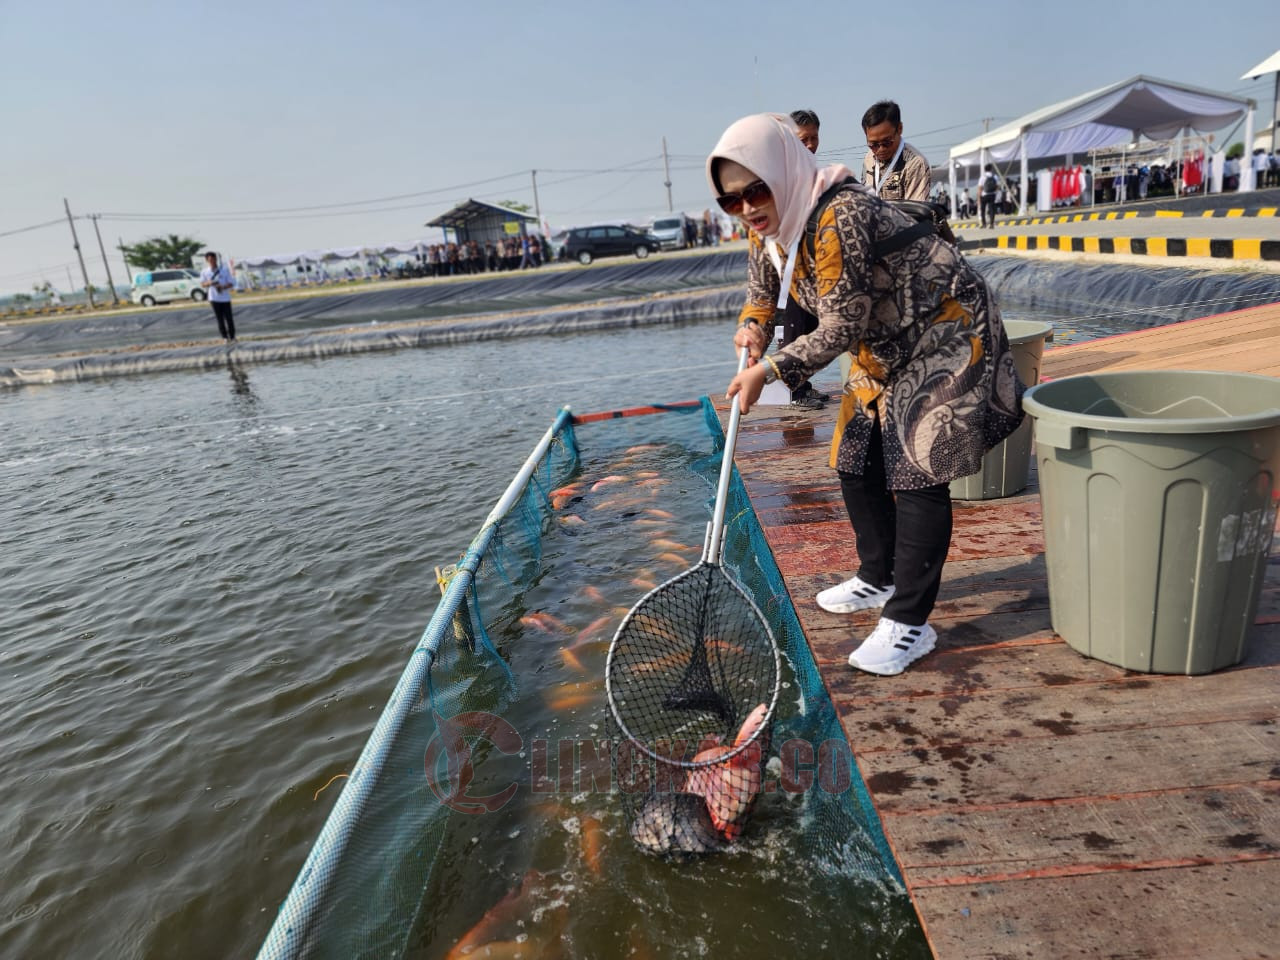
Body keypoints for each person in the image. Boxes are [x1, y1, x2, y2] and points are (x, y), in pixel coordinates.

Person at [711, 114, 1025, 675]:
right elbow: (762, 294)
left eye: (756, 190)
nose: (748, 207)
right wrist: (752, 328)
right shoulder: (767, 227)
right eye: (731, 200)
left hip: (942, 328)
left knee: (920, 467)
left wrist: (773, 370)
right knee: (855, 459)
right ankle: (878, 576)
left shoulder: (840, 212)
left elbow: (843, 323)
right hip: (881, 341)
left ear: (782, 172)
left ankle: (909, 621)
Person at [779, 108, 829, 410]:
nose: (810, 145)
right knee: (794, 328)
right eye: (803, 140)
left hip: (812, 261)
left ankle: (803, 385)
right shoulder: (784, 173)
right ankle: (795, 392)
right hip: (791, 264)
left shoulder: (812, 171)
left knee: (810, 325)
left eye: (814, 138)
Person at [860, 100, 931, 202]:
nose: (881, 149)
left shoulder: (915, 164)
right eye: (873, 144)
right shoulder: (869, 158)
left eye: (887, 142)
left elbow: (915, 209)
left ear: (899, 129)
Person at [200, 251, 236, 342]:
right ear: (207, 261)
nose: (212, 261)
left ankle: (232, 336)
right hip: (214, 298)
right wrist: (209, 283)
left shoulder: (224, 269)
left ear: (216, 259)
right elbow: (202, 284)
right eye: (210, 260)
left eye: (213, 259)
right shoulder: (205, 272)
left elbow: (231, 283)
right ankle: (225, 337)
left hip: (225, 298)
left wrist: (222, 287)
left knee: (229, 318)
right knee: (220, 319)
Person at [979, 164, 999, 228]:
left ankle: (984, 224)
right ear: (991, 169)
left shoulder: (983, 177)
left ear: (985, 169)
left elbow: (980, 188)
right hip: (992, 194)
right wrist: (995, 192)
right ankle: (991, 224)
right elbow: (997, 186)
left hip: (984, 195)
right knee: (992, 209)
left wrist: (979, 197)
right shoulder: (995, 176)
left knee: (983, 210)